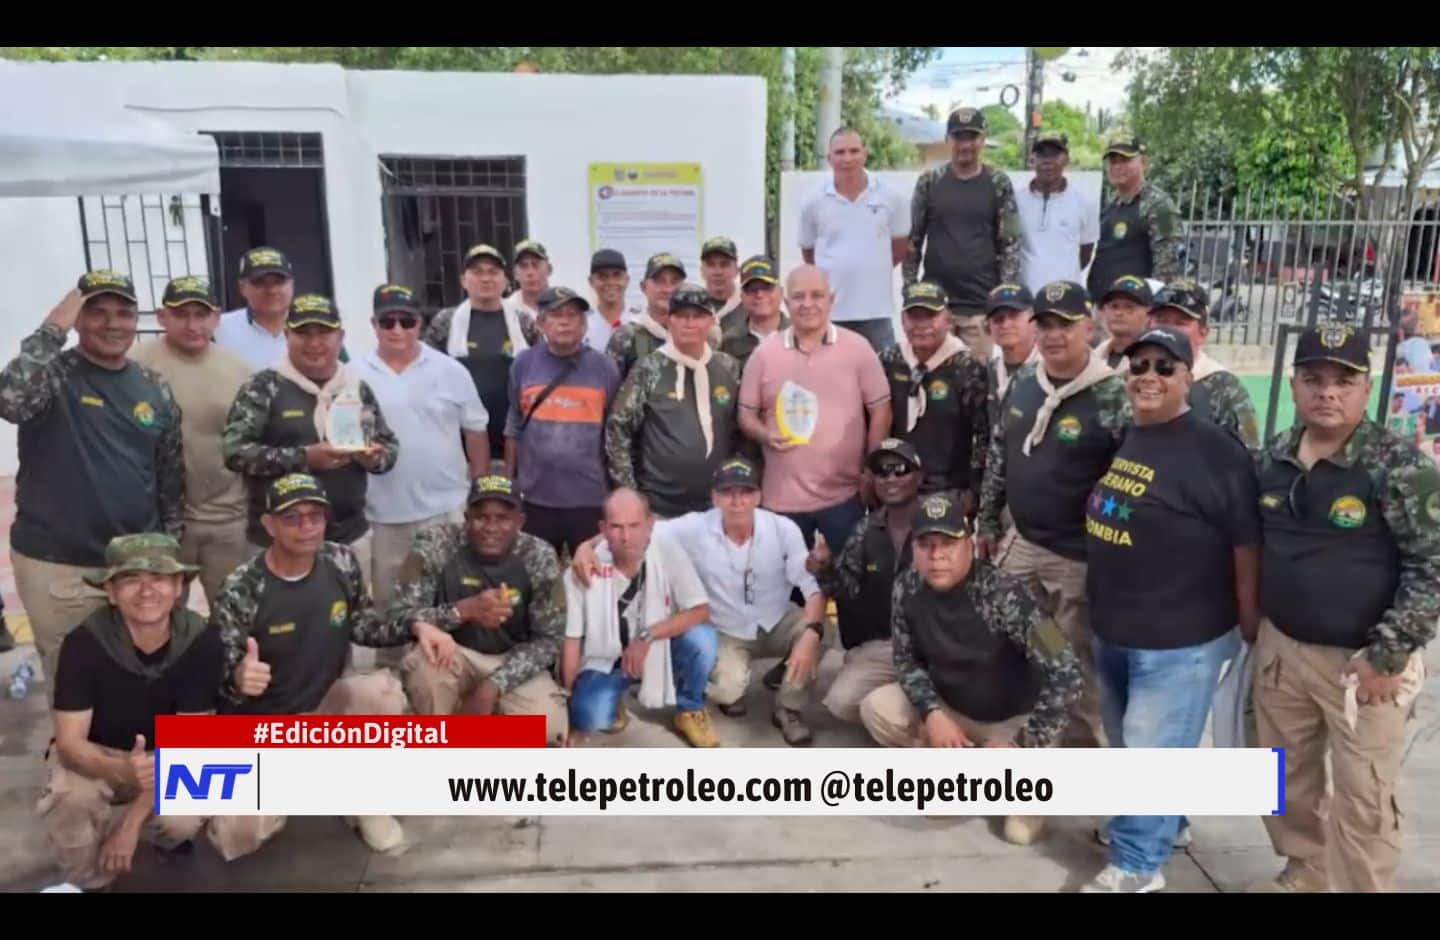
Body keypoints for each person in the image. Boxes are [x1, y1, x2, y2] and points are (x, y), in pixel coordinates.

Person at [1250, 324, 1440, 893]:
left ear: (1365, 388)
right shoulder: (1273, 459)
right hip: (1282, 651)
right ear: (1293, 385)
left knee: (1364, 799)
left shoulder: (1399, 467)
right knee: (1284, 782)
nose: (1327, 393)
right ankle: (1305, 873)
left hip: (1363, 665)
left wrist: (1388, 653)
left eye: (1343, 381)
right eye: (1314, 379)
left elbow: (1431, 566)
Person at [1080, 328, 1260, 894]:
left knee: (1150, 752)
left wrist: (1249, 621)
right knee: (1136, 744)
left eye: (1164, 367)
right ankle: (1166, 824)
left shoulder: (1214, 450)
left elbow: (1246, 541)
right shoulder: (1133, 436)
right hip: (1117, 628)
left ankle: (1137, 866)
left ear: (1187, 377)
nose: (1149, 377)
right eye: (1139, 366)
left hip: (1180, 637)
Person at [210, 474, 447, 856]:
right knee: (239, 836)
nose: (306, 528)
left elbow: (364, 625)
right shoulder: (240, 589)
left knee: (378, 693)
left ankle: (361, 797)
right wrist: (237, 678)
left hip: (324, 709)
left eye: (315, 516)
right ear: (268, 524)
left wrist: (417, 626)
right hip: (262, 730)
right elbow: (212, 679)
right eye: (292, 518)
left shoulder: (340, 560)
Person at [859, 492, 1082, 847]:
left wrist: (1021, 744)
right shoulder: (906, 587)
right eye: (926, 545)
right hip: (955, 708)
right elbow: (906, 660)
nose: (937, 557)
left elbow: (1067, 670)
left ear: (969, 544)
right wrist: (932, 713)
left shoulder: (1009, 594)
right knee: (876, 707)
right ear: (913, 549)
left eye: (947, 544)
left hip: (1015, 722)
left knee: (1019, 835)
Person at [0, 272, 183, 696]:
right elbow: (9, 399)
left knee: (138, 679)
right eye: (96, 312)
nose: (112, 323)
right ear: (77, 320)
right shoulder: (54, 376)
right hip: (61, 564)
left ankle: (128, 762)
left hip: (134, 567)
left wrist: (168, 558)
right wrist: (52, 329)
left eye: (123, 312)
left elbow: (169, 480)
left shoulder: (152, 387)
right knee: (72, 683)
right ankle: (74, 763)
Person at [572, 458, 828, 745]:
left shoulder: (784, 529)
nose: (737, 501)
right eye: (728, 492)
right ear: (714, 497)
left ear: (758, 496)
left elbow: (811, 589)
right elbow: (635, 528)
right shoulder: (695, 528)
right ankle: (715, 689)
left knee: (817, 632)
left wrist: (810, 634)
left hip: (776, 618)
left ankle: (789, 706)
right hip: (727, 631)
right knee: (727, 689)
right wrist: (587, 546)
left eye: (745, 492)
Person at [976, 280, 1130, 749]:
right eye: (1045, 324)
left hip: (1076, 556)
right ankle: (1021, 735)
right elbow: (1001, 454)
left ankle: (1076, 752)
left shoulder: (1112, 395)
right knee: (1009, 636)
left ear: (1088, 325)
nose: (1054, 334)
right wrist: (987, 520)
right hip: (1023, 541)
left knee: (1073, 662)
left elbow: (1126, 484)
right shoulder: (1025, 381)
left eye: (1065, 324)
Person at [39, 533, 222, 891]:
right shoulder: (84, 643)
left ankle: (158, 840)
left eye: (159, 578)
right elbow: (71, 743)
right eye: (130, 580)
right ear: (109, 591)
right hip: (97, 753)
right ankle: (88, 882)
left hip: (167, 755)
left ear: (178, 585)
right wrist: (121, 769)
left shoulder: (201, 641)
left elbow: (190, 745)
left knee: (181, 820)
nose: (146, 591)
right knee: (71, 803)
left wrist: (129, 827)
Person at [222, 295, 399, 584]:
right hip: (278, 543)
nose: (314, 343)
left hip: (348, 538)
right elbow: (234, 452)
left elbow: (389, 446)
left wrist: (374, 457)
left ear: (340, 336)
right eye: (303, 333)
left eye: (324, 333)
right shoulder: (264, 387)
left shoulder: (355, 389)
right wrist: (305, 458)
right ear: (287, 336)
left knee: (350, 624)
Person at [391, 475, 569, 747]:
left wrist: (493, 686)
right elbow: (401, 616)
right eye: (481, 517)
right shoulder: (434, 543)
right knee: (424, 675)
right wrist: (463, 611)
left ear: (520, 522)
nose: (490, 527)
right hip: (451, 653)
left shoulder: (539, 555)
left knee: (548, 729)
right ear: (466, 517)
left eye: (503, 518)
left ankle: (476, 738)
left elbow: (550, 639)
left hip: (512, 658)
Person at [350, 284, 489, 611]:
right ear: (374, 325)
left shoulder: (451, 371)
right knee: (388, 602)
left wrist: (477, 493)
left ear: (420, 324)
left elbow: (476, 433)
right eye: (388, 322)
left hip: (445, 508)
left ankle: (448, 662)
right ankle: (394, 662)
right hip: (381, 513)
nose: (397, 329)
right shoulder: (352, 374)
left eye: (406, 321)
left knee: (451, 598)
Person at [738, 265, 892, 552]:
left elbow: (881, 409)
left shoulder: (858, 349)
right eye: (798, 297)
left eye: (817, 295)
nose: (807, 304)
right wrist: (764, 434)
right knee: (786, 592)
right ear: (786, 302)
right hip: (781, 502)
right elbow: (746, 415)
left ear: (831, 300)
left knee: (849, 588)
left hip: (844, 498)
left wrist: (871, 469)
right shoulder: (764, 354)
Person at [128, 277, 253, 607]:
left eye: (202, 314)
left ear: (216, 317)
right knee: (158, 618)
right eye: (182, 314)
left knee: (234, 617)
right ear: (161, 317)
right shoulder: (134, 368)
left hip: (227, 519)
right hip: (160, 522)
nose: (193, 324)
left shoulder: (240, 371)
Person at [561, 488, 717, 747]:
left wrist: (647, 637)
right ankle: (612, 701)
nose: (626, 536)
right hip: (607, 659)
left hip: (658, 647)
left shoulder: (667, 550)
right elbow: (572, 640)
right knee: (589, 715)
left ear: (650, 524)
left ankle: (690, 708)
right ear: (603, 528)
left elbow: (700, 610)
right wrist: (567, 702)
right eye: (616, 527)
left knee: (702, 639)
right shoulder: (584, 569)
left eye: (634, 525)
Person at [805, 439, 923, 725]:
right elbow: (845, 591)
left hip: (936, 644)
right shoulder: (865, 530)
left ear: (919, 476)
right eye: (882, 472)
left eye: (900, 469)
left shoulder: (940, 520)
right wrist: (825, 568)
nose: (891, 479)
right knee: (841, 703)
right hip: (886, 646)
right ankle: (896, 691)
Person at [606, 284, 742, 519]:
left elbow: (739, 431)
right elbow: (618, 428)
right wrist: (629, 492)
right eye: (681, 316)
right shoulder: (649, 368)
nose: (689, 323)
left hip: (715, 506)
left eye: (698, 316)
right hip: (659, 508)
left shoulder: (728, 367)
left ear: (710, 321)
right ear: (669, 321)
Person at [506, 286, 621, 557]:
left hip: (589, 498)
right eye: (555, 315)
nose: (565, 321)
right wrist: (512, 484)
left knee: (592, 578)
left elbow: (615, 433)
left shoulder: (605, 368)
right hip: (536, 499)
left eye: (572, 315)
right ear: (541, 323)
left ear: (584, 325)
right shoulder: (523, 365)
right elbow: (514, 425)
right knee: (537, 579)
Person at [903, 107, 1022, 362]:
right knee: (933, 378)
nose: (965, 144)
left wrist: (1001, 297)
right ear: (949, 140)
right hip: (934, 305)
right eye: (959, 137)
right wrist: (909, 291)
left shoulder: (998, 182)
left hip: (979, 306)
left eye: (972, 137)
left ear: (982, 139)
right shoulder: (930, 182)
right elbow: (913, 240)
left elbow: (1010, 244)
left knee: (977, 383)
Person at [424, 243, 540, 466]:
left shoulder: (524, 322)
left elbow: (541, 371)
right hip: (459, 446)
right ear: (463, 280)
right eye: (477, 272)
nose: (486, 279)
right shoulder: (446, 322)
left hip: (513, 445)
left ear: (506, 281)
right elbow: (426, 374)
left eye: (493, 272)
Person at [878, 281, 989, 506]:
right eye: (914, 316)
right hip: (896, 484)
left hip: (948, 490)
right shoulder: (889, 361)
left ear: (948, 320)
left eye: (930, 316)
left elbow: (982, 435)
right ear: (902, 320)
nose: (922, 325)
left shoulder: (968, 368)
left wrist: (974, 490)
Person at [799, 127, 910, 352]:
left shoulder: (892, 197)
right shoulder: (813, 201)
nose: (847, 159)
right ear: (829, 158)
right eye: (840, 152)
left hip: (876, 313)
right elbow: (809, 256)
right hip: (831, 313)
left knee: (882, 381)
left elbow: (898, 250)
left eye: (854, 151)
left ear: (865, 154)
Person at [1146, 279, 1260, 448]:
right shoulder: (1132, 377)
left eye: (1180, 323)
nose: (1168, 330)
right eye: (1161, 320)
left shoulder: (1226, 388)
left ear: (1203, 333)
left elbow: (1251, 454)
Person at [1086, 135, 1182, 299]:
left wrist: (1155, 305)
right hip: (1104, 304)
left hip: (1136, 307)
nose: (1117, 166)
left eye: (1125, 160)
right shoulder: (1111, 204)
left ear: (1144, 163)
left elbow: (1167, 266)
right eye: (1113, 161)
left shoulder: (1160, 206)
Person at [1015, 131, 1099, 295]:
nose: (1048, 161)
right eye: (1041, 154)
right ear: (1032, 160)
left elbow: (1085, 253)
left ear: (1066, 159)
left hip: (1067, 299)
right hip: (1025, 300)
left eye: (1054, 154)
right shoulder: (1014, 201)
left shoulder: (1085, 202)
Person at [606, 253, 687, 382]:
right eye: (660, 281)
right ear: (643, 287)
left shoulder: (694, 333)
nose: (668, 289)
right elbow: (609, 387)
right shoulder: (626, 336)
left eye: (675, 281)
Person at [214, 247, 296, 372]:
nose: (271, 290)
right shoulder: (219, 329)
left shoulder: (315, 329)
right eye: (260, 283)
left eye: (279, 282)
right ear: (242, 288)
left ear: (292, 284)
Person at [720, 255, 789, 372]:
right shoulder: (729, 342)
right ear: (741, 296)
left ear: (781, 292)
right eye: (751, 289)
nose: (759, 295)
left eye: (767, 287)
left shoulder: (799, 336)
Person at [985, 283, 1041, 424]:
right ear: (989, 326)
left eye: (1014, 315)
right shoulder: (985, 373)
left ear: (1033, 319)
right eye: (998, 318)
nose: (1006, 324)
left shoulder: (1049, 370)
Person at [1094, 275, 1155, 370]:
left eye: (1129, 307)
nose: (1119, 313)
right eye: (1114, 306)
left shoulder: (1155, 357)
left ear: (1148, 314)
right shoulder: (1094, 355)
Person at [586, 249, 630, 353]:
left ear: (627, 280)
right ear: (591, 281)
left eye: (617, 275)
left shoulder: (641, 320)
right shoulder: (582, 323)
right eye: (602, 276)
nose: (610, 282)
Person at [504, 239, 552, 321]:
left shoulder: (566, 307)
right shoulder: (505, 312)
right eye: (524, 266)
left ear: (549, 269)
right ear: (515, 274)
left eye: (535, 265)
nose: (530, 272)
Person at [700, 236, 742, 326]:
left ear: (736, 270)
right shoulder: (692, 306)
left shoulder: (751, 305)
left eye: (724, 264)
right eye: (711, 264)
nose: (718, 272)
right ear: (702, 271)